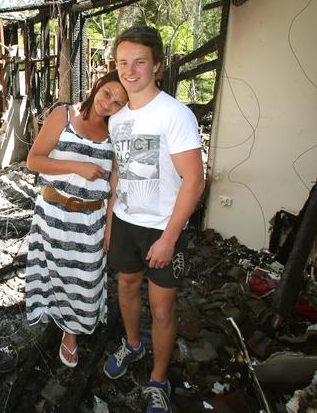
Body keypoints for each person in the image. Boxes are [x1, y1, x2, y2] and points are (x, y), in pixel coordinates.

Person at [103, 26, 204, 413]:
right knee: (127, 287)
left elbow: (194, 180)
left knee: (162, 309)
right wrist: (112, 223)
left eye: (139, 62)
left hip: (163, 226)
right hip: (126, 222)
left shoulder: (174, 114)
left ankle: (159, 379)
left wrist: (169, 239)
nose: (129, 71)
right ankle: (132, 344)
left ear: (157, 66)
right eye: (122, 62)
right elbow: (119, 173)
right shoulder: (117, 118)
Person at [25, 71, 128, 368]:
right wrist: (77, 166)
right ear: (98, 85)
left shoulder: (116, 133)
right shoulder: (64, 115)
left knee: (85, 279)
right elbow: (34, 159)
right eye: (108, 93)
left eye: (119, 102)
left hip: (91, 218)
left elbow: (114, 184)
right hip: (53, 212)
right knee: (54, 271)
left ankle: (71, 331)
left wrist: (109, 225)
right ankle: (59, 321)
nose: (109, 103)